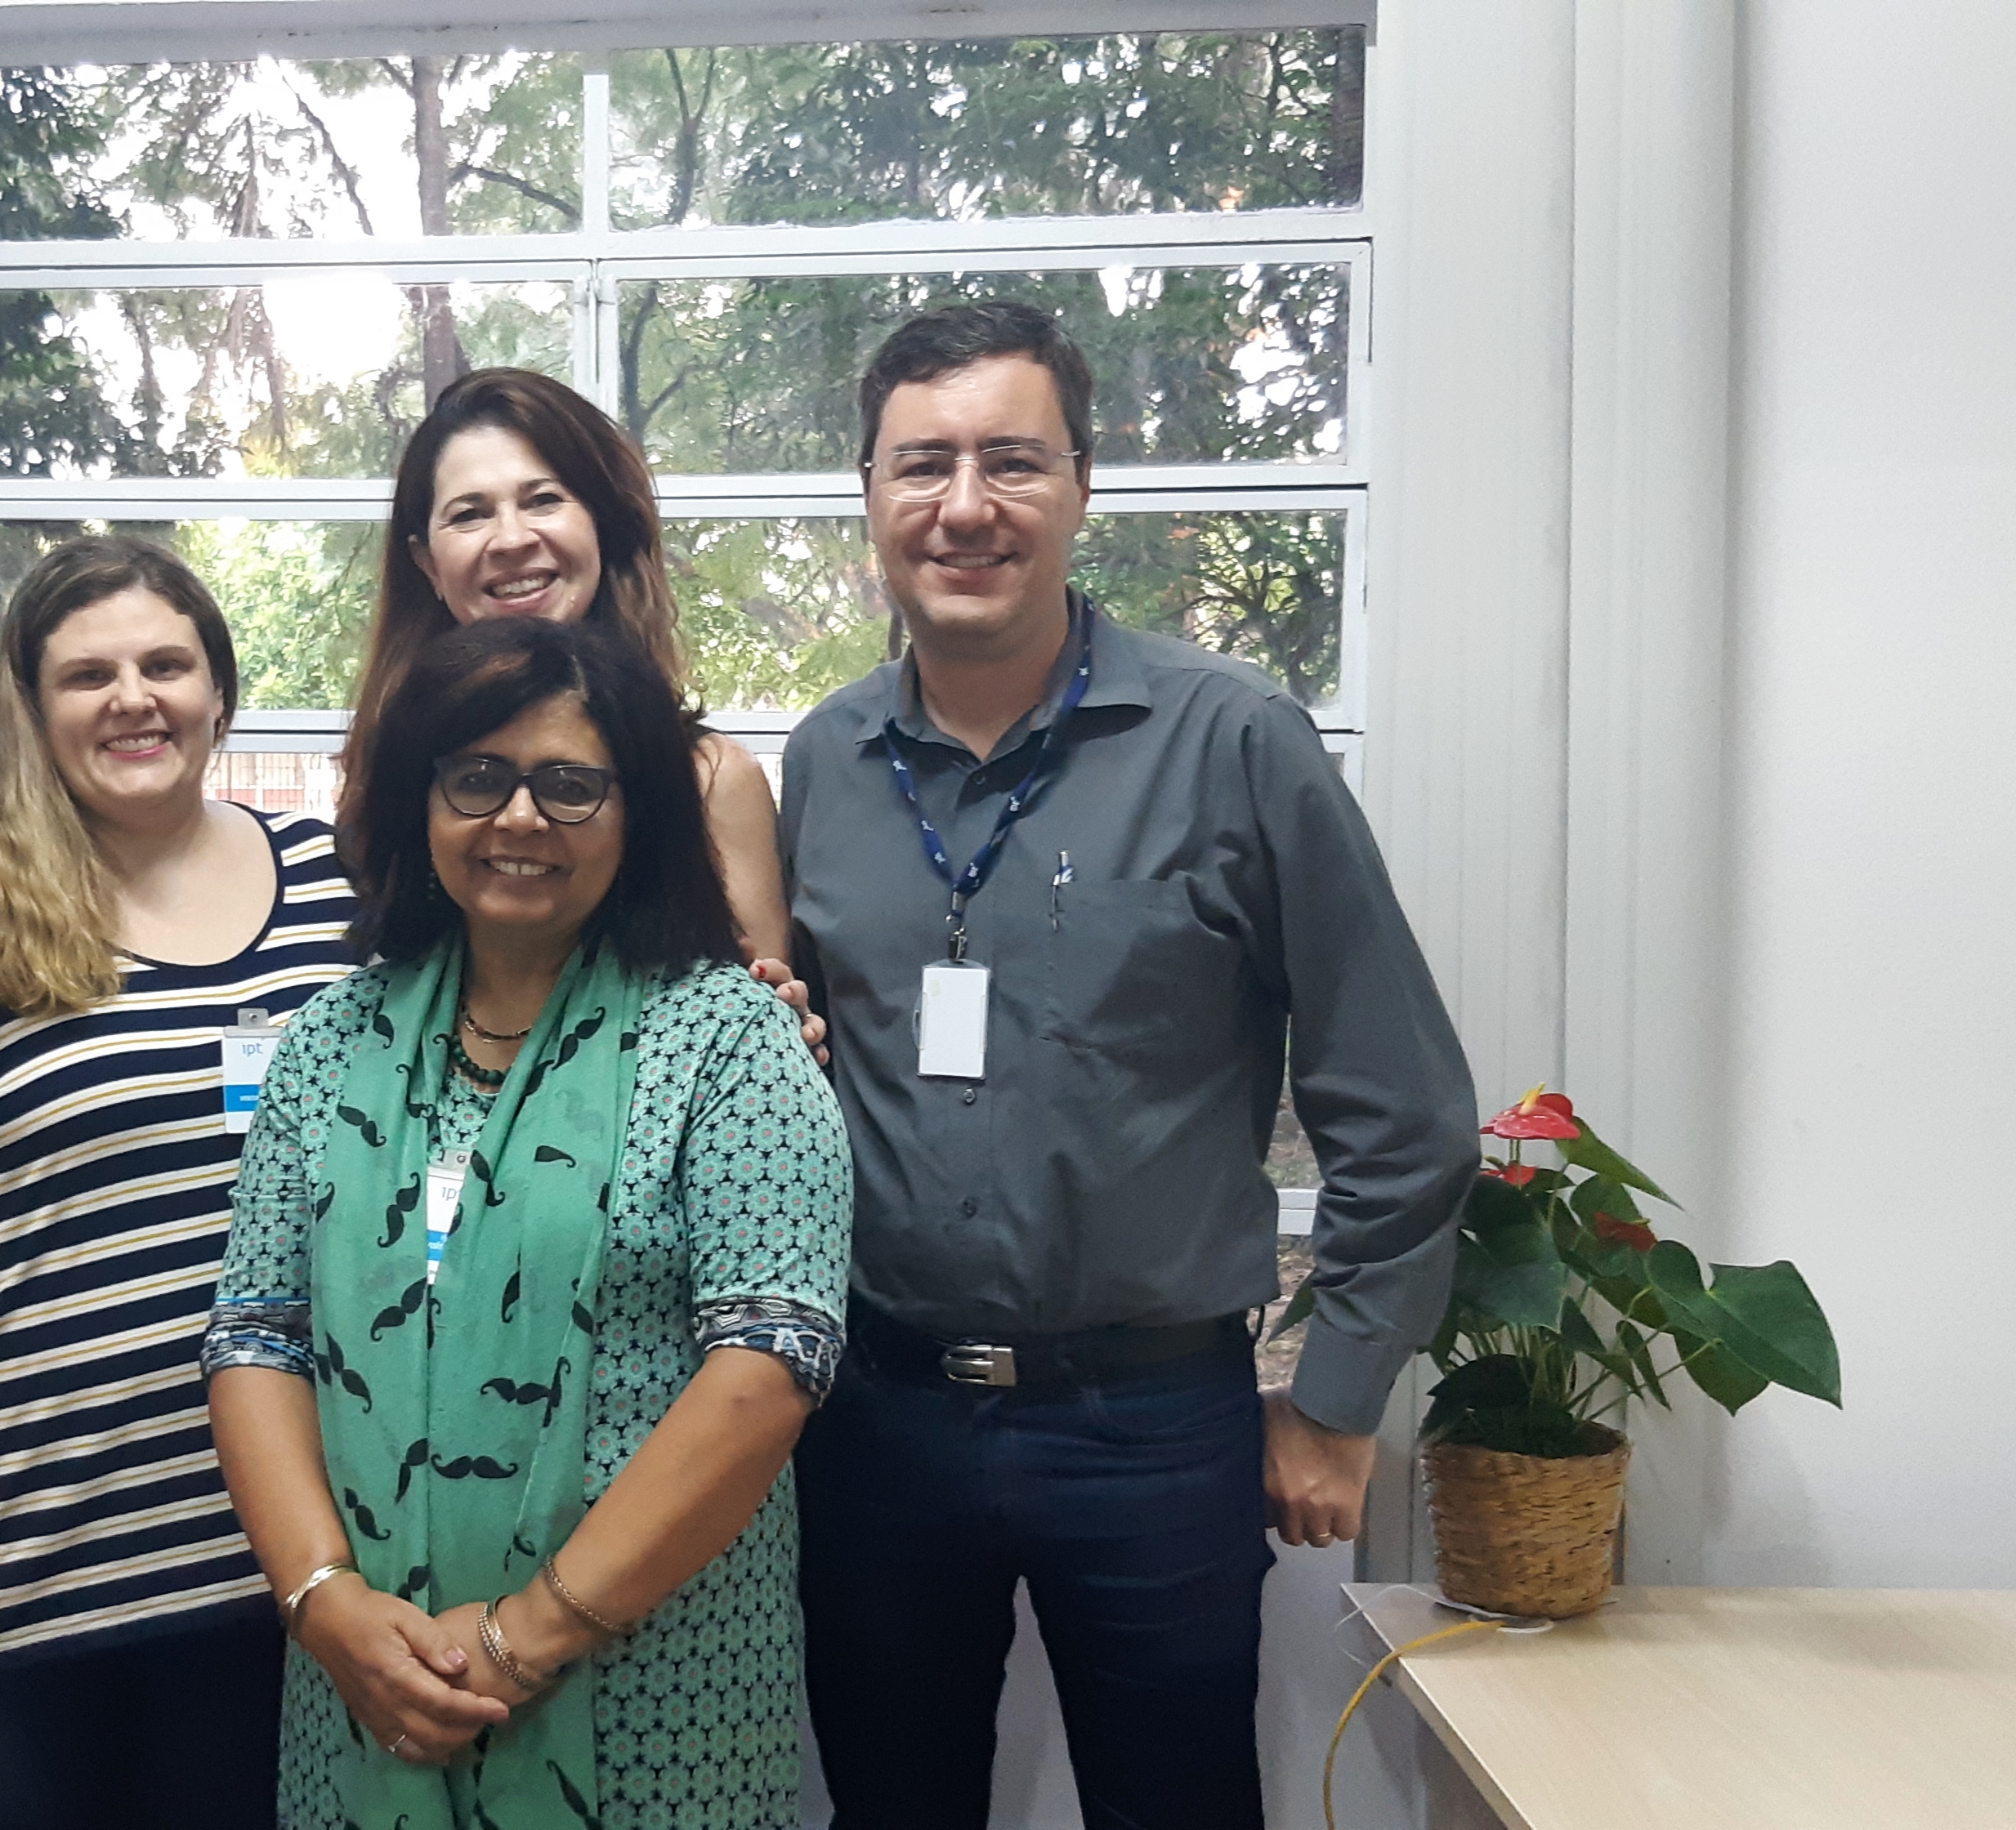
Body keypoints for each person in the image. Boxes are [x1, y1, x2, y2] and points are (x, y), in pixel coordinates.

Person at [777, 300, 1480, 1828]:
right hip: (875, 1422)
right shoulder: (820, 765)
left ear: (1080, 487)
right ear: (869, 496)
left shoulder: (1233, 742)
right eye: (921, 466)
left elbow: (1403, 1105)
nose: (963, 507)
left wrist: (1339, 1396)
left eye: (1009, 463)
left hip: (1149, 1427)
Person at [208, 614, 852, 1830]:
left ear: (637, 811)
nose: (518, 820)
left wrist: (525, 1637)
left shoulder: (731, 1039)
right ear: (422, 800)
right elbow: (255, 1338)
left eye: (569, 785)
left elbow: (772, 1364)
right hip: (368, 1692)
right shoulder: (331, 1040)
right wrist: (325, 1603)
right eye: (477, 778)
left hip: (656, 1702)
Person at [0, 534, 355, 1829]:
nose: (133, 698)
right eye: (88, 674)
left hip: (276, 1559)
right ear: (31, 708)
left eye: (166, 664)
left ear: (219, 689)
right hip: (16, 1567)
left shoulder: (339, 888)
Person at [342, 368, 792, 964]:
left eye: (543, 500)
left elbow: (758, 1011)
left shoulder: (710, 779)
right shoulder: (390, 769)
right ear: (427, 563)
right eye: (469, 514)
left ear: (603, 527)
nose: (510, 539)